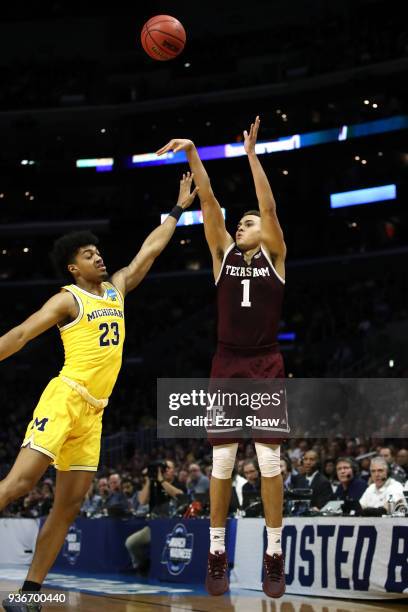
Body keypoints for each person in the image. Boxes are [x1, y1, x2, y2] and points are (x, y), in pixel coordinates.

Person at [0, 174, 198, 611]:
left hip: (94, 413)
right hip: (65, 397)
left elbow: (152, 248)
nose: (98, 255)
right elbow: (20, 334)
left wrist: (179, 209)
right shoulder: (67, 298)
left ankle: (29, 595)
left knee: (68, 507)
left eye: (98, 250)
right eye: (89, 254)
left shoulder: (117, 288)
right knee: (19, 483)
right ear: (74, 268)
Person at [157, 116, 287, 598]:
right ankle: (216, 551)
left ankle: (274, 553)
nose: (243, 224)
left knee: (270, 463)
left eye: (248, 221)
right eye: (241, 222)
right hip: (228, 363)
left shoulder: (276, 255)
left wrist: (252, 157)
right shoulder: (222, 255)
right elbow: (209, 202)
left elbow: (269, 208)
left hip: (267, 363)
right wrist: (193, 150)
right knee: (223, 463)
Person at [125, 460, 185, 574]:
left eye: (169, 468)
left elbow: (179, 496)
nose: (166, 470)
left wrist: (161, 480)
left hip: (172, 527)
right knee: (131, 543)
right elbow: (142, 501)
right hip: (154, 526)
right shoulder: (154, 484)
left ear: (174, 471)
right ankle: (142, 565)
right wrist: (149, 480)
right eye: (164, 468)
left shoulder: (178, 483)